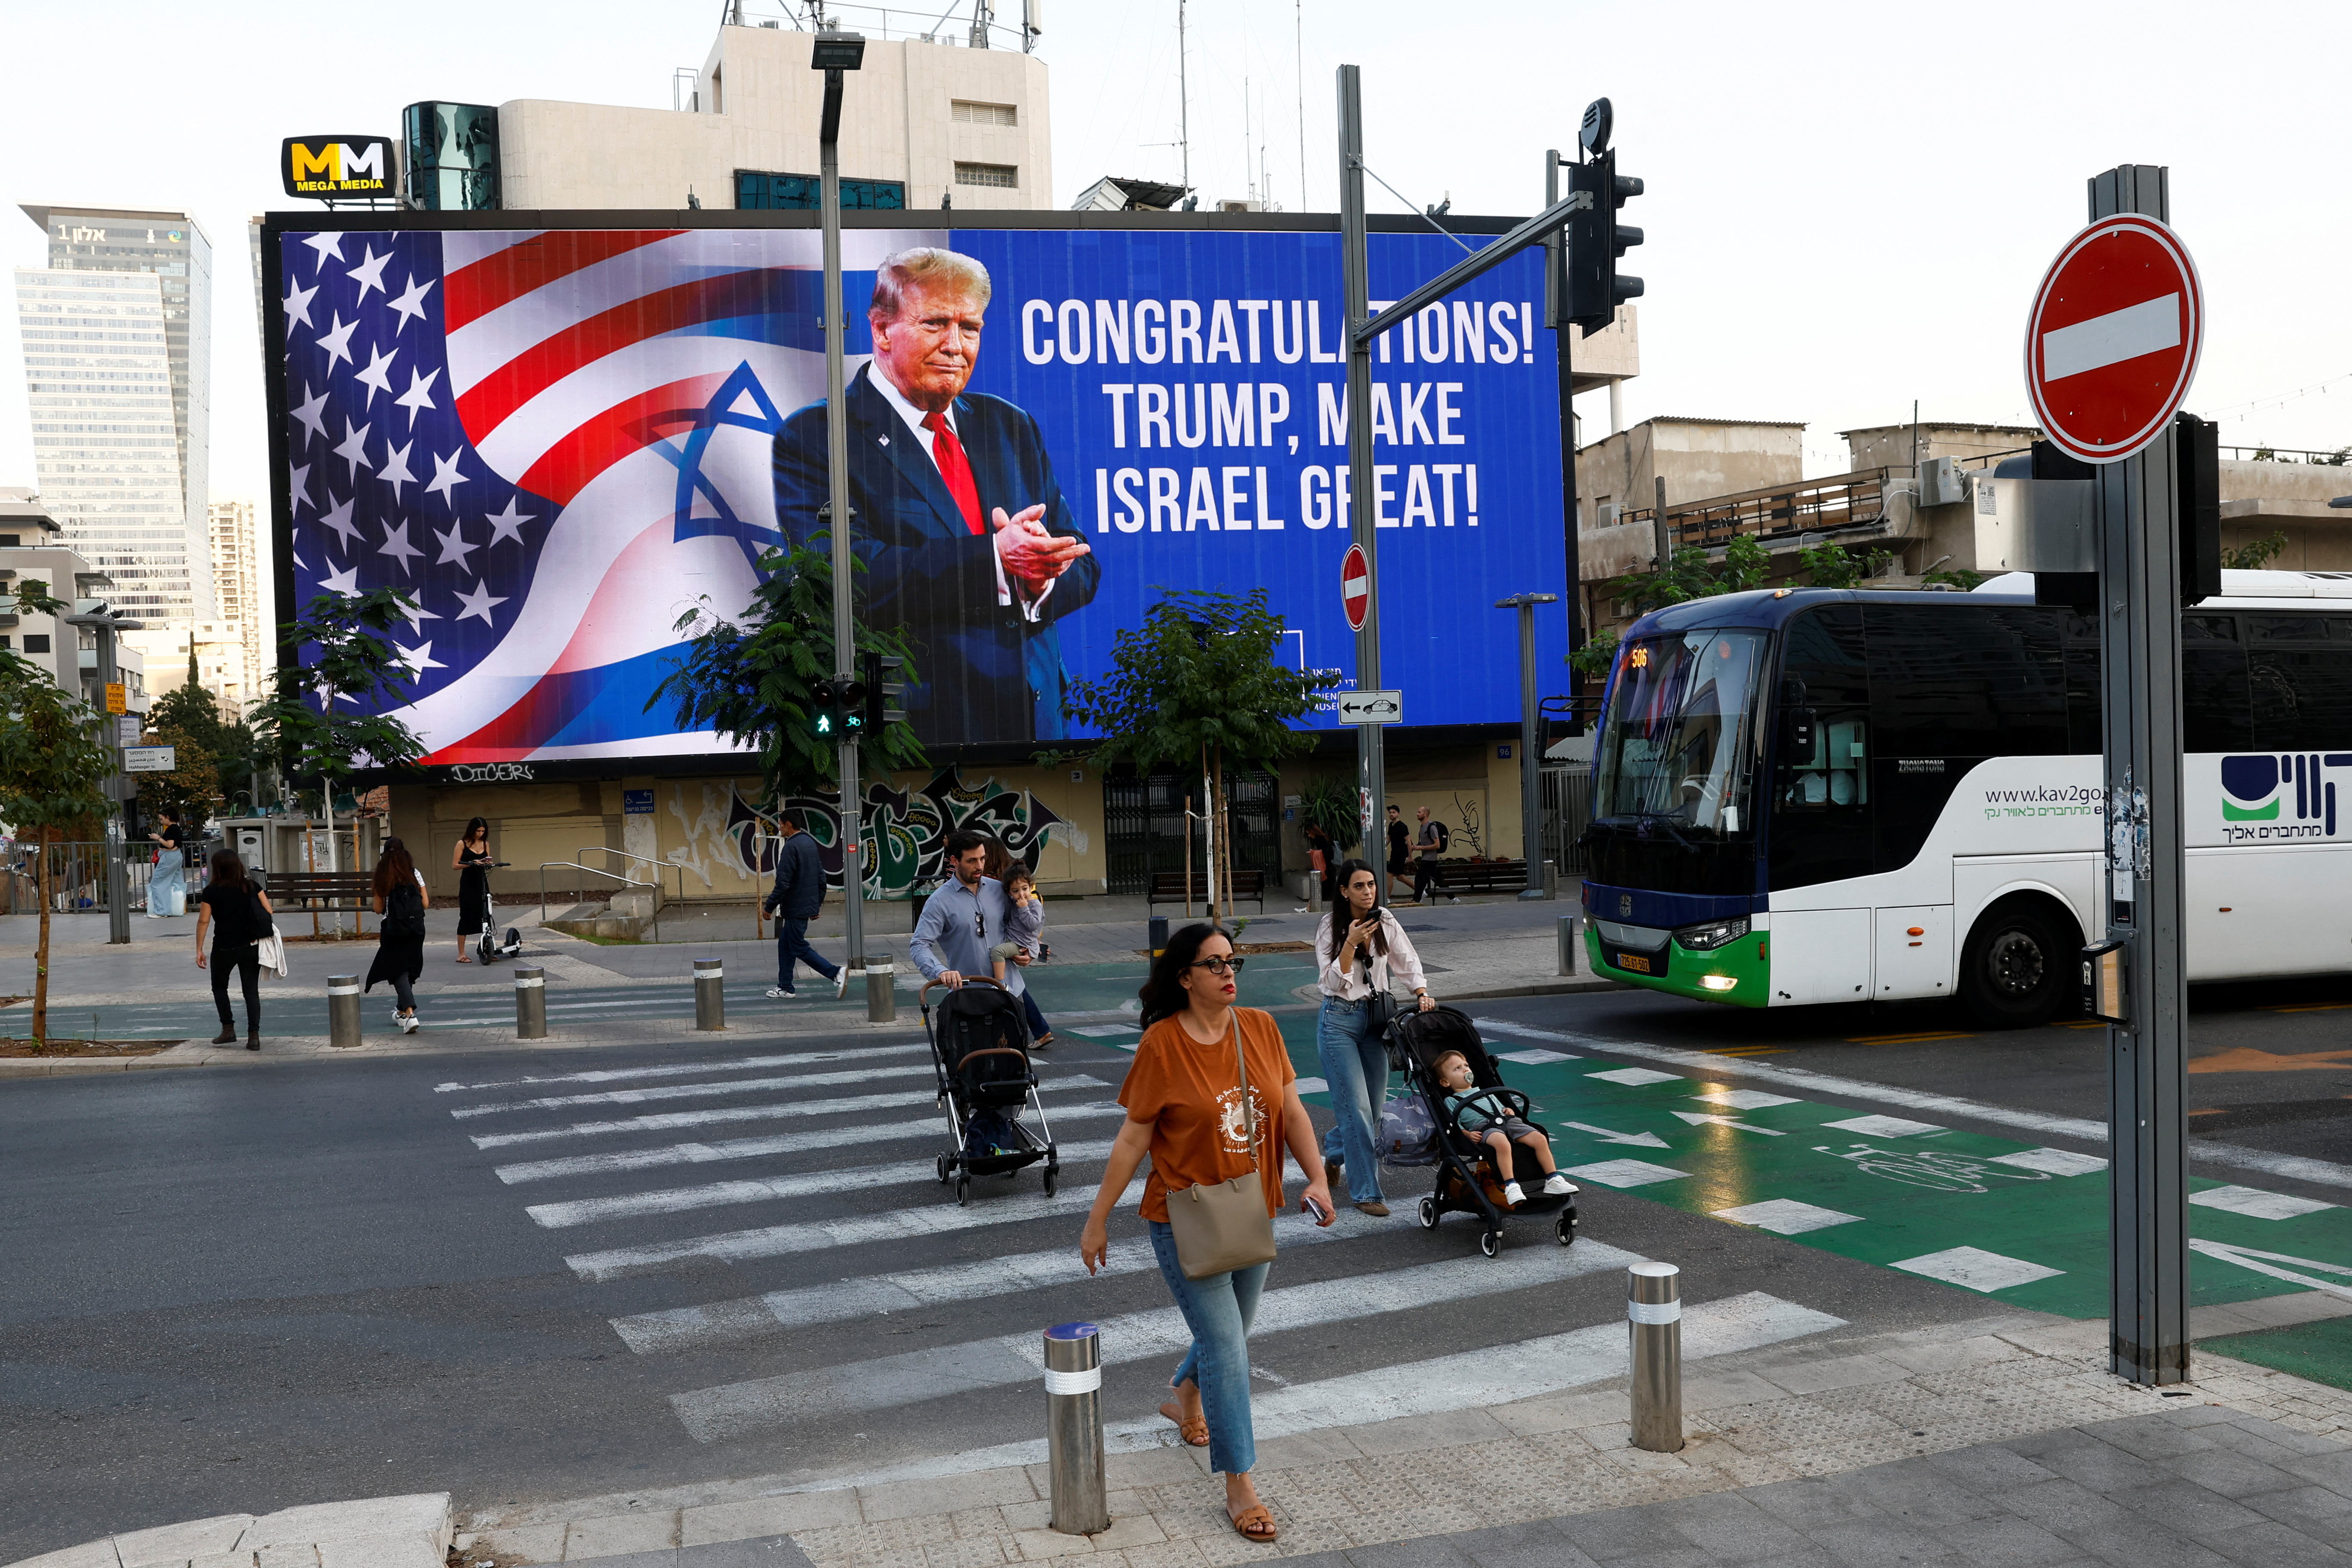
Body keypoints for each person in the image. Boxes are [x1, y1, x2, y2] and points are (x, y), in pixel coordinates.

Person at [772, 247, 1101, 745]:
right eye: (935, 324)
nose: (955, 345)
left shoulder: (1008, 425)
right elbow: (846, 580)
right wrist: (994, 561)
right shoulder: (817, 436)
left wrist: (1040, 578)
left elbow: (1079, 556)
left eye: (969, 328)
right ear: (882, 330)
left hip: (1037, 731)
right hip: (919, 740)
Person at [1079, 922, 1335, 1547]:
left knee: (1231, 1335)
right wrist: (1097, 1217)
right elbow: (1134, 1139)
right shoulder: (1161, 1044)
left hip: (1253, 1206)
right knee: (1228, 1346)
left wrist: (1319, 1179)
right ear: (1184, 976)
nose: (1228, 972)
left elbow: (1293, 1109)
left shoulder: (1262, 1028)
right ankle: (1240, 1483)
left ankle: (1186, 1396)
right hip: (1183, 1215)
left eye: (1233, 960)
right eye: (1214, 963)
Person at [1315, 858, 1435, 1217]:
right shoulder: (1329, 926)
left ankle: (1334, 1150)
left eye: (1371, 885)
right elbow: (1330, 983)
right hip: (1338, 1022)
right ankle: (1367, 1192)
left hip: (1376, 1022)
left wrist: (1421, 991)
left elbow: (1405, 958)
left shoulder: (1385, 919)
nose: (1368, 892)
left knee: (1375, 1112)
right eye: (1359, 886)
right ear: (1343, 891)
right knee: (1356, 1109)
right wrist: (1350, 943)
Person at [1434, 1050, 1576, 1208]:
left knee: (1539, 1138)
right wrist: (1466, 1134)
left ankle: (1553, 1178)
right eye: (1458, 1069)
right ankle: (1511, 1185)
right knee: (1502, 1143)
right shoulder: (1452, 1101)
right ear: (1446, 1082)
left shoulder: (1486, 1092)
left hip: (1506, 1121)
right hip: (1483, 1128)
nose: (1466, 1069)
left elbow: (1500, 1108)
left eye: (1466, 1065)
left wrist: (1508, 1111)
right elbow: (1454, 1123)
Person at [910, 830, 1032, 1011]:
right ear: (954, 861)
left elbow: (1020, 924)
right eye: (972, 861)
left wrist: (1028, 949)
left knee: (1016, 1041)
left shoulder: (999, 890)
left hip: (1011, 992)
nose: (980, 866)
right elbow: (919, 944)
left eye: (982, 859)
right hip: (968, 998)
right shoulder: (939, 901)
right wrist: (941, 972)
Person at [762, 812, 845, 1001]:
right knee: (785, 945)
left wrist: (769, 907)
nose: (779, 828)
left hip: (795, 908)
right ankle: (785, 987)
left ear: (789, 825)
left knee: (798, 946)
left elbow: (783, 883)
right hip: (804, 907)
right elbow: (821, 878)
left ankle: (836, 973)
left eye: (781, 825)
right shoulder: (809, 844)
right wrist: (816, 905)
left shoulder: (791, 847)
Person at [194, 850, 273, 1049]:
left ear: (218, 868)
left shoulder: (211, 891)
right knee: (251, 992)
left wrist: (199, 949)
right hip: (251, 945)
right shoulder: (252, 886)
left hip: (224, 947)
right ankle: (254, 1036)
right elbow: (269, 911)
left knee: (220, 988)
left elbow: (204, 920)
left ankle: (228, 1029)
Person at [984, 838, 1055, 1047]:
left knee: (1008, 990)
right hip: (1010, 944)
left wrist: (1035, 949)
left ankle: (1013, 1036)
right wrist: (1038, 949)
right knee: (1015, 989)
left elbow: (1033, 924)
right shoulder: (1008, 884)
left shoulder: (1005, 886)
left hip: (1005, 945)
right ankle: (1039, 1030)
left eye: (982, 858)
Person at [366, 838, 431, 1035]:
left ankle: (411, 1014)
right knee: (410, 969)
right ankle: (401, 1011)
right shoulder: (415, 873)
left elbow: (378, 909)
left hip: (393, 929)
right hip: (416, 928)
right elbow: (426, 904)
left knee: (397, 971)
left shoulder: (382, 876)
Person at [452, 817, 494, 963]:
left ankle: (488, 949)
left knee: (486, 914)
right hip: (468, 884)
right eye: (478, 831)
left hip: (482, 882)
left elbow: (488, 861)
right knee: (466, 915)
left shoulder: (485, 843)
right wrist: (471, 863)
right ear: (472, 830)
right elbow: (455, 865)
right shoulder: (462, 844)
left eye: (483, 831)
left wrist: (488, 863)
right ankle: (461, 954)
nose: (481, 834)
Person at [1409, 805, 1459, 905]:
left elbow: (1437, 845)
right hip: (1427, 859)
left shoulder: (1432, 827)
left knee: (1419, 879)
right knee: (1438, 881)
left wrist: (1422, 848)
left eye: (1420, 812)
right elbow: (1424, 843)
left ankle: (1417, 900)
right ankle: (1453, 899)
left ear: (1426, 814)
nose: (1417, 814)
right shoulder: (1422, 827)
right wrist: (1417, 846)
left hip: (1430, 859)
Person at [147, 808, 186, 919]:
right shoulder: (177, 828)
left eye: (162, 819)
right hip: (177, 856)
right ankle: (177, 908)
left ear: (168, 817)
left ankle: (161, 911)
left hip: (169, 857)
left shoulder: (171, 829)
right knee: (176, 882)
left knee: (156, 883)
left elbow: (170, 845)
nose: (161, 821)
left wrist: (158, 838)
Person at [1301, 821, 1336, 911]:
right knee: (1322, 891)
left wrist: (1313, 853)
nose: (1309, 836)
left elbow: (1326, 853)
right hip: (1328, 869)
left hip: (1327, 870)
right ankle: (1308, 909)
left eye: (1309, 833)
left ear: (1313, 831)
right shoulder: (1324, 838)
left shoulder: (1321, 839)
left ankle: (1309, 909)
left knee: (1321, 891)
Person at [1384, 805, 1413, 901]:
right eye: (1390, 813)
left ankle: (1387, 898)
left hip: (1400, 854)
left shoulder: (1402, 826)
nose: (1392, 814)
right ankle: (1421, 892)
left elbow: (1409, 841)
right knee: (1400, 877)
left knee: (1389, 874)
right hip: (1394, 853)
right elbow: (1388, 839)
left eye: (1394, 812)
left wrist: (1410, 856)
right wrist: (1381, 848)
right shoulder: (1391, 825)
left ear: (1398, 814)